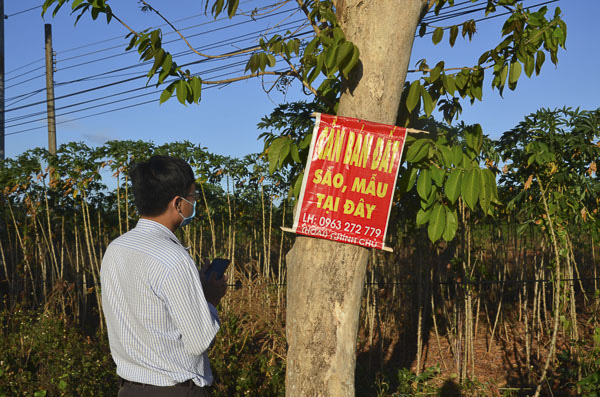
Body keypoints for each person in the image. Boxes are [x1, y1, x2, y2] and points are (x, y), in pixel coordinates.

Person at [100, 155, 227, 397]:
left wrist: (193, 287)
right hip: (174, 390)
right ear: (178, 203)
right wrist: (210, 299)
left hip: (129, 388)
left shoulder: (116, 248)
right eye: (193, 197)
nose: (195, 202)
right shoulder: (174, 258)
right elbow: (199, 340)